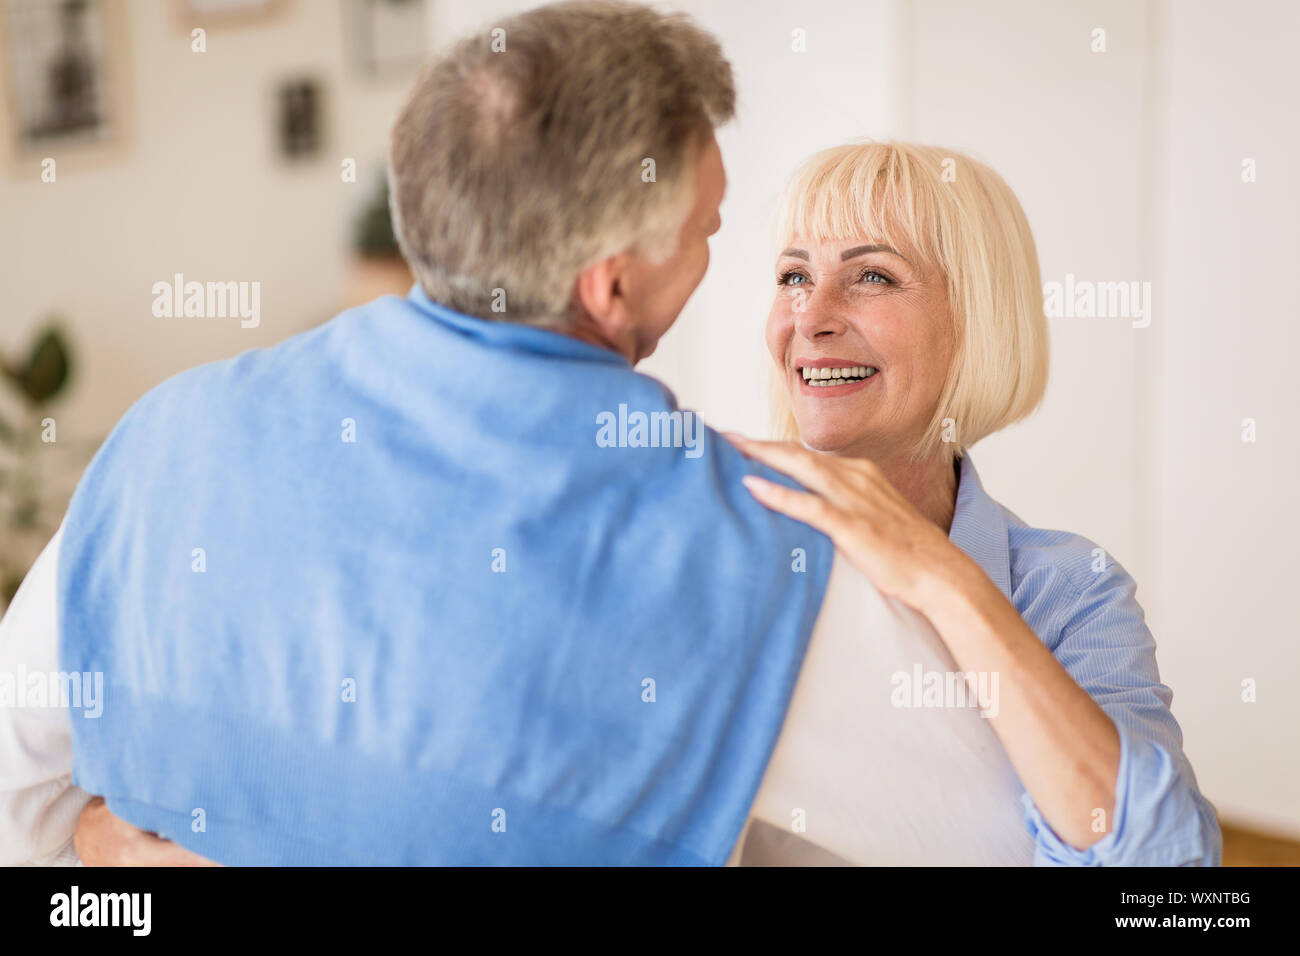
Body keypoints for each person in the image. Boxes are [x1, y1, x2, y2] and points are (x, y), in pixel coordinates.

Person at [730, 141, 1220, 864]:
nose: (812, 316)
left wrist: (938, 575)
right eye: (794, 276)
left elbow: (1163, 870)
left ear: (977, 320)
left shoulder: (1068, 589)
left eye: (871, 275)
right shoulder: (719, 538)